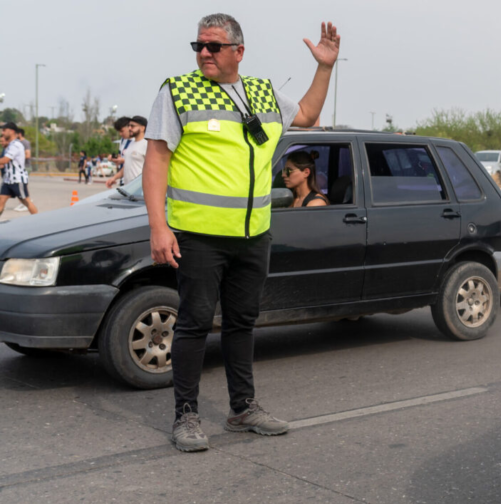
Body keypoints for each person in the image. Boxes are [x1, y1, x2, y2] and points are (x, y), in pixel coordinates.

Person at [143, 13, 340, 452]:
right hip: (198, 235)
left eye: (213, 46)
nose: (204, 53)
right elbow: (157, 159)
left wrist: (324, 67)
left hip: (253, 235)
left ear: (239, 51)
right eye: (198, 46)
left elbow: (308, 115)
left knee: (242, 323)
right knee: (194, 323)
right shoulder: (177, 91)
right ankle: (186, 415)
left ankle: (242, 408)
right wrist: (159, 225)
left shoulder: (263, 92)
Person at [0, 123, 37, 216]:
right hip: (8, 180)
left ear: (12, 131)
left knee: (26, 202)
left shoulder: (16, 145)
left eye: (4, 130)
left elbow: (5, 160)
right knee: (1, 201)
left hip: (17, 180)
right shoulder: (9, 145)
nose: (2, 132)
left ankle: (39, 219)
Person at [106, 116, 148, 188]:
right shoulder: (130, 145)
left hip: (140, 188)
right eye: (129, 126)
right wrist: (114, 178)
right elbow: (126, 166)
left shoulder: (147, 145)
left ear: (142, 128)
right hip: (128, 187)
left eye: (132, 126)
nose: (129, 128)